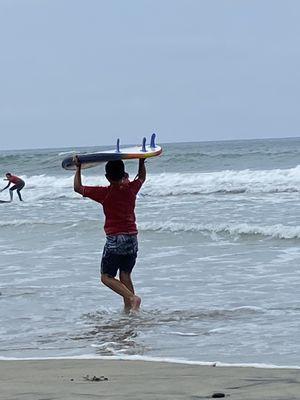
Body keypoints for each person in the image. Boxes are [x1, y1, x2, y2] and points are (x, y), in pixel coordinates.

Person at [73, 156, 146, 312]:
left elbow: (78, 188)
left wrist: (78, 167)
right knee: (125, 274)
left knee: (106, 277)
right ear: (123, 174)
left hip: (115, 239)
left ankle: (133, 299)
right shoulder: (131, 189)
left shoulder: (104, 193)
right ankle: (130, 310)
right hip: (132, 237)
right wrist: (141, 161)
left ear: (107, 177)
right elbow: (141, 177)